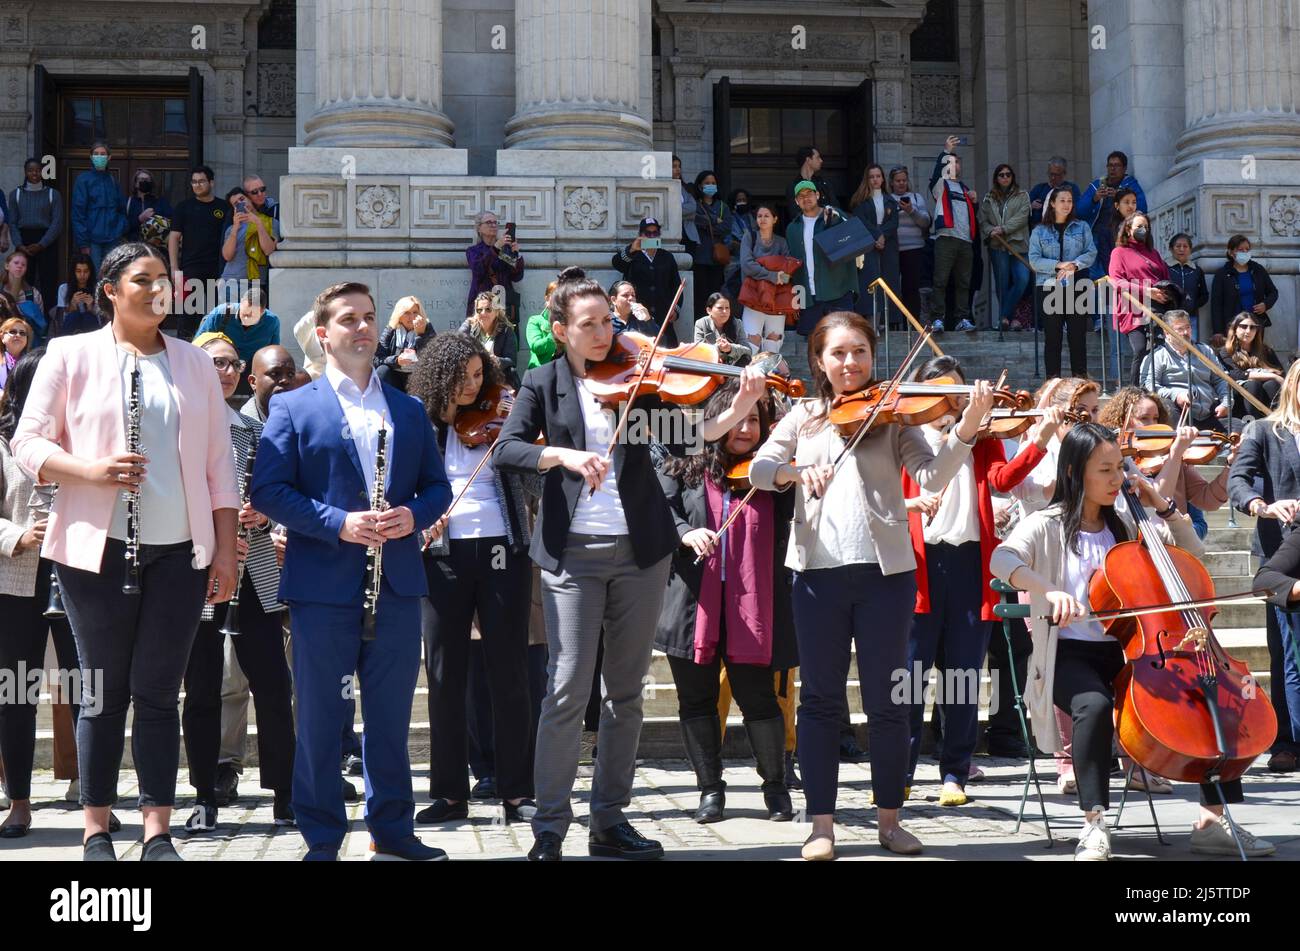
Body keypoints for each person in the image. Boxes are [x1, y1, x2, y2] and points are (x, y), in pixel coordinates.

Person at [11, 241, 240, 862]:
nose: (158, 289)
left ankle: (157, 830)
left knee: (161, 691)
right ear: (110, 290)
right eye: (144, 280)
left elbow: (221, 467)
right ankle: (95, 829)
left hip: (179, 552)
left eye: (164, 279)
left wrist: (225, 551)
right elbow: (28, 445)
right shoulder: (69, 353)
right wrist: (90, 470)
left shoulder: (194, 363)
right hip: (96, 550)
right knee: (103, 691)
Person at [749, 310, 996, 860]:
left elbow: (932, 475)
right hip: (816, 574)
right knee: (818, 700)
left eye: (859, 351)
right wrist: (792, 472)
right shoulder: (802, 416)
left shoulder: (895, 418)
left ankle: (890, 820)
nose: (850, 363)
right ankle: (821, 827)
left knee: (888, 702)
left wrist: (967, 426)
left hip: (886, 575)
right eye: (838, 353)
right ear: (819, 360)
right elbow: (758, 469)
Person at [992, 422, 1274, 860]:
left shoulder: (1126, 521)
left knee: (1208, 692)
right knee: (1094, 705)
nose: (1116, 479)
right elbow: (1001, 557)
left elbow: (1192, 551)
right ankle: (1094, 824)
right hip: (1068, 653)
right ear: (1074, 473)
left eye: (1118, 470)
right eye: (1105, 470)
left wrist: (1159, 501)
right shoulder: (1044, 524)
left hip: (1131, 652)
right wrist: (1047, 590)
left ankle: (1212, 820)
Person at [249, 280, 452, 862]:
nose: (362, 327)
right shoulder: (293, 405)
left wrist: (412, 514)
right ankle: (321, 835)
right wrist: (336, 522)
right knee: (319, 715)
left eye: (368, 317)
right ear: (323, 335)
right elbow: (267, 490)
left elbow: (438, 488)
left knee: (389, 717)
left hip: (395, 583)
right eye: (347, 319)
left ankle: (392, 829)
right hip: (323, 586)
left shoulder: (409, 408)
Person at [494, 266, 679, 862]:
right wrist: (562, 455)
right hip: (572, 553)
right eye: (590, 325)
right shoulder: (542, 380)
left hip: (642, 552)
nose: (605, 334)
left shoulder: (640, 378)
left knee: (625, 692)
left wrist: (741, 400)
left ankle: (609, 822)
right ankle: (550, 825)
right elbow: (508, 448)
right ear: (562, 329)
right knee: (568, 685)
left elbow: (685, 437)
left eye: (608, 322)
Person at [902, 356, 1061, 806]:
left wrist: (1042, 438)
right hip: (918, 564)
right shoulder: (905, 432)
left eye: (954, 390)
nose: (946, 399)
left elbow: (1003, 480)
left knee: (963, 675)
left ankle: (954, 772)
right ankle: (903, 769)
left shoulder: (982, 434)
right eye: (936, 389)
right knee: (910, 676)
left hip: (970, 563)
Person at [407, 333, 536, 826]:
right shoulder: (418, 422)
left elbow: (533, 478)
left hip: (503, 544)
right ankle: (449, 792)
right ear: (441, 377)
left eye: (480, 376)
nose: (474, 387)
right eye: (463, 378)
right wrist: (423, 518)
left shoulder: (503, 416)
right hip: (441, 553)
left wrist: (519, 443)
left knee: (509, 670)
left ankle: (516, 789)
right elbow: (404, 485)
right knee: (443, 673)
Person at [656, 377, 796, 824]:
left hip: (755, 607)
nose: (746, 428)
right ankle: (710, 791)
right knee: (695, 701)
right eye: (739, 417)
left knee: (759, 701)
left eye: (755, 419)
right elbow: (662, 510)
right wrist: (684, 533)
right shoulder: (683, 465)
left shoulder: (772, 475)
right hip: (693, 604)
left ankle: (776, 789)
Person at [181, 332, 296, 833]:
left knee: (273, 683)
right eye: (214, 364)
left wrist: (260, 521)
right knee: (202, 684)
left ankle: (286, 793)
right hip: (196, 570)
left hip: (256, 572)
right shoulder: (180, 426)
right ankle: (205, 792)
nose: (224, 372)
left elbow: (273, 495)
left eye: (231, 365)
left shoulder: (253, 428)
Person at [0, 348, 84, 838]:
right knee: (17, 693)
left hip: (76, 574)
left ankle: (96, 799)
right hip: (16, 583)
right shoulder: (2, 444)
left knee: (87, 689)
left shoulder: (77, 441)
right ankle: (20, 803)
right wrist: (17, 537)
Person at [1228, 360, 1300, 772]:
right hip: (1283, 554)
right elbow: (1239, 480)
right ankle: (1287, 742)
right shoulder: (1264, 431)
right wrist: (1263, 506)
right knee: (1287, 652)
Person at [1097, 387, 1231, 539]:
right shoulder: (1117, 461)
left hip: (1173, 544)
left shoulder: (1175, 456)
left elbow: (1208, 501)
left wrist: (1230, 466)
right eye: (1144, 418)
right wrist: (1175, 455)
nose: (1153, 425)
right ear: (1122, 421)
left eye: (1156, 418)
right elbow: (1154, 502)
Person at [1028, 188, 1097, 378]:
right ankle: (1053, 383)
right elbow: (1034, 260)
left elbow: (1091, 252)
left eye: (1070, 201)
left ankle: (1080, 383)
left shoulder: (1082, 226)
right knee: (1053, 337)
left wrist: (1074, 265)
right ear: (1052, 203)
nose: (1067, 204)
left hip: (1078, 286)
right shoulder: (1039, 231)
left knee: (1078, 338)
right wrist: (1059, 265)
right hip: (1049, 287)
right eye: (1062, 200)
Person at [1108, 211, 1173, 385]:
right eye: (1139, 226)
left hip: (1158, 307)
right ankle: (1134, 391)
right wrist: (1147, 291)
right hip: (1133, 308)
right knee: (1140, 349)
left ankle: (1154, 389)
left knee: (1159, 350)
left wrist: (1165, 293)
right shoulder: (1119, 252)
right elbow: (1116, 282)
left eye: (1146, 227)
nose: (1143, 230)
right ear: (1128, 229)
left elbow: (1166, 277)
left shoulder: (1154, 253)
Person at [1139, 310, 1230, 431]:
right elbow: (1148, 386)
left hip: (1210, 413)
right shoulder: (1157, 356)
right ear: (1167, 332)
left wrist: (1226, 402)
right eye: (1180, 329)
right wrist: (1176, 395)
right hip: (1179, 414)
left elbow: (1221, 379)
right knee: (1168, 406)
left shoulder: (1205, 351)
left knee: (1241, 429)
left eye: (1188, 327)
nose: (1186, 332)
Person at [168, 166, 231, 339]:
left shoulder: (224, 207)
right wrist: (174, 268)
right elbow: (173, 238)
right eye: (194, 182)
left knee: (213, 316)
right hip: (188, 270)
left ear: (211, 182)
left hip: (216, 270)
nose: (197, 185)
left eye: (201, 181)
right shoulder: (183, 207)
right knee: (186, 317)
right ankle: (182, 355)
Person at [787, 181, 856, 337]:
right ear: (796, 201)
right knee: (812, 346)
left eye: (809, 193)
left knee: (842, 340)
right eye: (801, 196)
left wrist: (838, 219)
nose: (806, 198)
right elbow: (793, 264)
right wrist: (797, 298)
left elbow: (854, 236)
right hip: (808, 296)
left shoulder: (833, 215)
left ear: (817, 195)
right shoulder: (793, 228)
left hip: (838, 291)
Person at [927, 135, 979, 333]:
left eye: (957, 162)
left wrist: (974, 200)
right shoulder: (940, 186)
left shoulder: (965, 189)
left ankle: (962, 319)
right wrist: (946, 151)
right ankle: (937, 319)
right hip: (946, 239)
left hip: (965, 241)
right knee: (940, 280)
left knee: (964, 282)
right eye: (951, 162)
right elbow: (937, 174)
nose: (953, 165)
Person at [610, 216, 683, 343]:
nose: (651, 236)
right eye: (647, 233)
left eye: (655, 233)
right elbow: (617, 263)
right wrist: (632, 248)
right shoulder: (633, 254)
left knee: (668, 348)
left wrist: (675, 309)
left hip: (663, 314)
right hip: (638, 316)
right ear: (640, 235)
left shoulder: (667, 256)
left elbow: (677, 285)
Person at [194, 286, 281, 389]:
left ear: (262, 313)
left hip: (251, 368)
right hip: (219, 367)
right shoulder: (221, 313)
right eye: (244, 314)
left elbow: (274, 354)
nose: (246, 318)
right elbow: (197, 346)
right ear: (241, 303)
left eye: (252, 316)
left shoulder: (272, 322)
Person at [980, 163, 1032, 331]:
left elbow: (1023, 217)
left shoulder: (1023, 195)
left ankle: (1003, 315)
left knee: (1022, 279)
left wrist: (1003, 229)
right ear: (996, 178)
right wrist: (991, 232)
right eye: (1001, 175)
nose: (1005, 177)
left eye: (1008, 174)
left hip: (1018, 246)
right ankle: (1006, 320)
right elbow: (983, 221)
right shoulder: (989, 198)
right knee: (1001, 285)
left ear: (1012, 177)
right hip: (998, 246)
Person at [738, 202, 793, 353]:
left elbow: (788, 269)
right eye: (759, 216)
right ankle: (749, 373)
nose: (762, 219)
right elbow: (747, 265)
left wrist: (765, 269)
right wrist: (772, 275)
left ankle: (769, 374)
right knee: (751, 339)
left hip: (777, 297)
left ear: (775, 219)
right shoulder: (749, 237)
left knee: (773, 340)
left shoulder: (781, 242)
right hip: (753, 296)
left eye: (766, 216)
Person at [10, 158, 64, 310]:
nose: (34, 173)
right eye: (30, 170)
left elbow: (57, 223)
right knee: (24, 280)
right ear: (25, 172)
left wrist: (42, 244)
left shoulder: (53, 194)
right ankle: (24, 314)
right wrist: (19, 245)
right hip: (24, 241)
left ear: (43, 171)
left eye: (37, 170)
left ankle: (46, 318)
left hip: (46, 241)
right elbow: (12, 222)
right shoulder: (16, 194)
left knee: (48, 280)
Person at [849, 163, 901, 321]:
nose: (875, 180)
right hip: (868, 245)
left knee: (889, 279)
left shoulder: (890, 200)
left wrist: (882, 235)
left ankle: (887, 321)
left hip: (888, 244)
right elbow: (860, 220)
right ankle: (871, 321)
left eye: (878, 176)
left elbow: (894, 222)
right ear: (867, 179)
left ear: (883, 179)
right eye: (871, 177)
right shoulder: (860, 200)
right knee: (870, 280)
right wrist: (877, 234)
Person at [70, 141, 126, 276]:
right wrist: (83, 243)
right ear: (90, 157)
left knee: (112, 276)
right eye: (96, 154)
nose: (99, 157)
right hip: (92, 241)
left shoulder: (113, 180)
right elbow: (78, 214)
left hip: (112, 239)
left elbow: (121, 209)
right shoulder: (83, 180)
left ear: (109, 157)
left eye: (102, 154)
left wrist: (119, 229)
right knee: (94, 276)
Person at [1076, 149, 1147, 251]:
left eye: (1117, 165)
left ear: (1124, 168)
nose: (1113, 169)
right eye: (1110, 165)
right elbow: (1079, 211)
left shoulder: (1131, 185)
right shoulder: (1097, 185)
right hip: (1097, 234)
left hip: (1120, 231)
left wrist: (1120, 197)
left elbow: (1142, 209)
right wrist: (1094, 199)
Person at [1216, 311, 1284, 418]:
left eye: (1252, 327)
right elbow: (1235, 375)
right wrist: (1271, 375)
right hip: (1239, 399)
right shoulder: (1226, 351)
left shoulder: (1266, 351)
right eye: (1243, 326)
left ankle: (1276, 421)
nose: (1248, 331)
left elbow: (1281, 374)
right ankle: (1252, 423)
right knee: (1253, 385)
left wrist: (1273, 376)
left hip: (1266, 397)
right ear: (1235, 329)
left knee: (1271, 384)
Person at [1210, 234, 1278, 335]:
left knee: (1255, 350)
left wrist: (1265, 304)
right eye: (1240, 249)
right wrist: (1217, 331)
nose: (1245, 252)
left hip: (1255, 323)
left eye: (1247, 249)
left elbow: (1273, 292)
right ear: (1231, 252)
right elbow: (1216, 304)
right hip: (1232, 325)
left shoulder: (1257, 269)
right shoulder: (1222, 274)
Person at [219, 186, 280, 298]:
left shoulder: (271, 222)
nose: (240, 204)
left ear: (249, 198)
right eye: (235, 204)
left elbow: (268, 250)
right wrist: (235, 229)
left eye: (242, 199)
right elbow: (227, 256)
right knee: (229, 316)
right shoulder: (232, 228)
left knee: (253, 316)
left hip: (255, 283)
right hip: (230, 282)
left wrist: (258, 223)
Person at [889, 166, 931, 324]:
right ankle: (894, 322)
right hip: (892, 250)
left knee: (912, 288)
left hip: (914, 249)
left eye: (904, 180)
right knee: (893, 288)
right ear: (891, 183)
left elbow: (925, 222)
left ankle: (912, 323)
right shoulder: (887, 198)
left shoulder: (916, 197)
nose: (901, 184)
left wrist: (911, 211)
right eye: (898, 181)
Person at [465, 211, 524, 325]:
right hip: (483, 305)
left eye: (495, 222)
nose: (493, 225)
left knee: (506, 340)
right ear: (479, 228)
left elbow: (517, 276)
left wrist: (517, 254)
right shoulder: (473, 251)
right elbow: (478, 270)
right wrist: (496, 247)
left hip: (504, 305)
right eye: (488, 222)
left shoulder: (504, 251)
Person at [692, 170, 732, 316]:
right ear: (700, 186)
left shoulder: (723, 206)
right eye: (707, 183)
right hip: (700, 257)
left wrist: (707, 225)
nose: (710, 186)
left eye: (713, 183)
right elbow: (695, 221)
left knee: (715, 295)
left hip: (717, 258)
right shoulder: (695, 204)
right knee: (700, 295)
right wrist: (714, 221)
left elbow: (727, 227)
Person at [459, 291, 519, 387]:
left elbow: (511, 360)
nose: (483, 313)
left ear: (496, 311)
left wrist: (497, 360)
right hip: (473, 374)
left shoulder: (506, 330)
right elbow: (457, 344)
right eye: (479, 310)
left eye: (488, 309)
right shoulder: (469, 326)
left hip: (496, 376)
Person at [375, 295, 435, 392]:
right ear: (399, 316)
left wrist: (421, 335)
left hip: (417, 377)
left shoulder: (427, 328)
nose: (411, 317)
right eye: (406, 313)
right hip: (396, 376)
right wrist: (397, 360)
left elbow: (432, 359)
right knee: (382, 370)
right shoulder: (391, 329)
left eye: (415, 312)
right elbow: (377, 360)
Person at [241, 344, 298, 424]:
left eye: (290, 374)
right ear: (253, 382)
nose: (285, 380)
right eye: (275, 373)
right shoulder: (239, 427)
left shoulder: (304, 422)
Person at [1167, 233, 1209, 340]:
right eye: (1178, 246)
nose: (1182, 249)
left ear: (1190, 249)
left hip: (1190, 318)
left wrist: (1193, 305)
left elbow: (1204, 295)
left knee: (1189, 346)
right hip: (1169, 317)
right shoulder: (1165, 268)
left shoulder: (1196, 270)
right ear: (1171, 249)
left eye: (1185, 246)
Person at [50, 253, 101, 337]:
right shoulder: (64, 288)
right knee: (74, 316)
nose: (82, 275)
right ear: (73, 272)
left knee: (88, 317)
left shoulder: (97, 288)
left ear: (90, 272)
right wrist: (72, 306)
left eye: (86, 271)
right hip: (70, 328)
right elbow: (59, 319)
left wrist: (91, 308)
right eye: (78, 271)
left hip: (92, 327)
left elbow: (103, 318)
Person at [693, 292, 751, 365]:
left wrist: (730, 348)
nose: (725, 312)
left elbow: (748, 351)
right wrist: (718, 348)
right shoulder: (701, 323)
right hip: (711, 364)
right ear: (709, 310)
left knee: (746, 358)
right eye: (720, 308)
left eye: (727, 308)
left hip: (732, 365)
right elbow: (698, 351)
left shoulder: (737, 323)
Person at [3, 251, 46, 343]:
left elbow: (40, 322)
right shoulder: (1, 292)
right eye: (16, 263)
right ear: (7, 266)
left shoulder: (33, 293)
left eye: (23, 265)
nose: (20, 266)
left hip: (28, 340)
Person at [123, 168, 173, 245]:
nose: (145, 181)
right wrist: (139, 219)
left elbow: (171, 222)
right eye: (142, 179)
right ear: (136, 183)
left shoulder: (160, 202)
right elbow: (122, 227)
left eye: (147, 179)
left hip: (156, 246)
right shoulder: (127, 202)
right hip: (134, 246)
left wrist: (156, 220)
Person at [1028, 156, 1080, 229]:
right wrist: (1031, 206)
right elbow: (1023, 210)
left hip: (1064, 230)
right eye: (1051, 174)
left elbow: (1077, 211)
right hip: (1039, 232)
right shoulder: (1038, 189)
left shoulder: (1072, 189)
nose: (1053, 177)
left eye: (1056, 175)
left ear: (1064, 173)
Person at [788, 146, 839, 218]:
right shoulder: (793, 186)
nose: (821, 160)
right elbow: (795, 214)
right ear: (808, 160)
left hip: (827, 227)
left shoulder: (824, 183)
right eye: (818, 157)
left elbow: (836, 208)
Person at [526, 279, 560, 369]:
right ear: (547, 298)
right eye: (555, 296)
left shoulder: (570, 321)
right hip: (540, 371)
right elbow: (537, 348)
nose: (558, 300)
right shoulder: (535, 320)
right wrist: (555, 332)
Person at [674, 156, 700, 258]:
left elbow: (693, 207)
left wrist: (676, 212)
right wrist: (686, 213)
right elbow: (667, 210)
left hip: (688, 235)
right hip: (672, 234)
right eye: (674, 166)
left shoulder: (685, 188)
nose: (678, 169)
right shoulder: (662, 187)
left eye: (679, 166)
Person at [0, 317, 32, 389]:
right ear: (2, 337)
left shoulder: (33, 362)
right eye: (13, 332)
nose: (18, 335)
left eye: (22, 333)